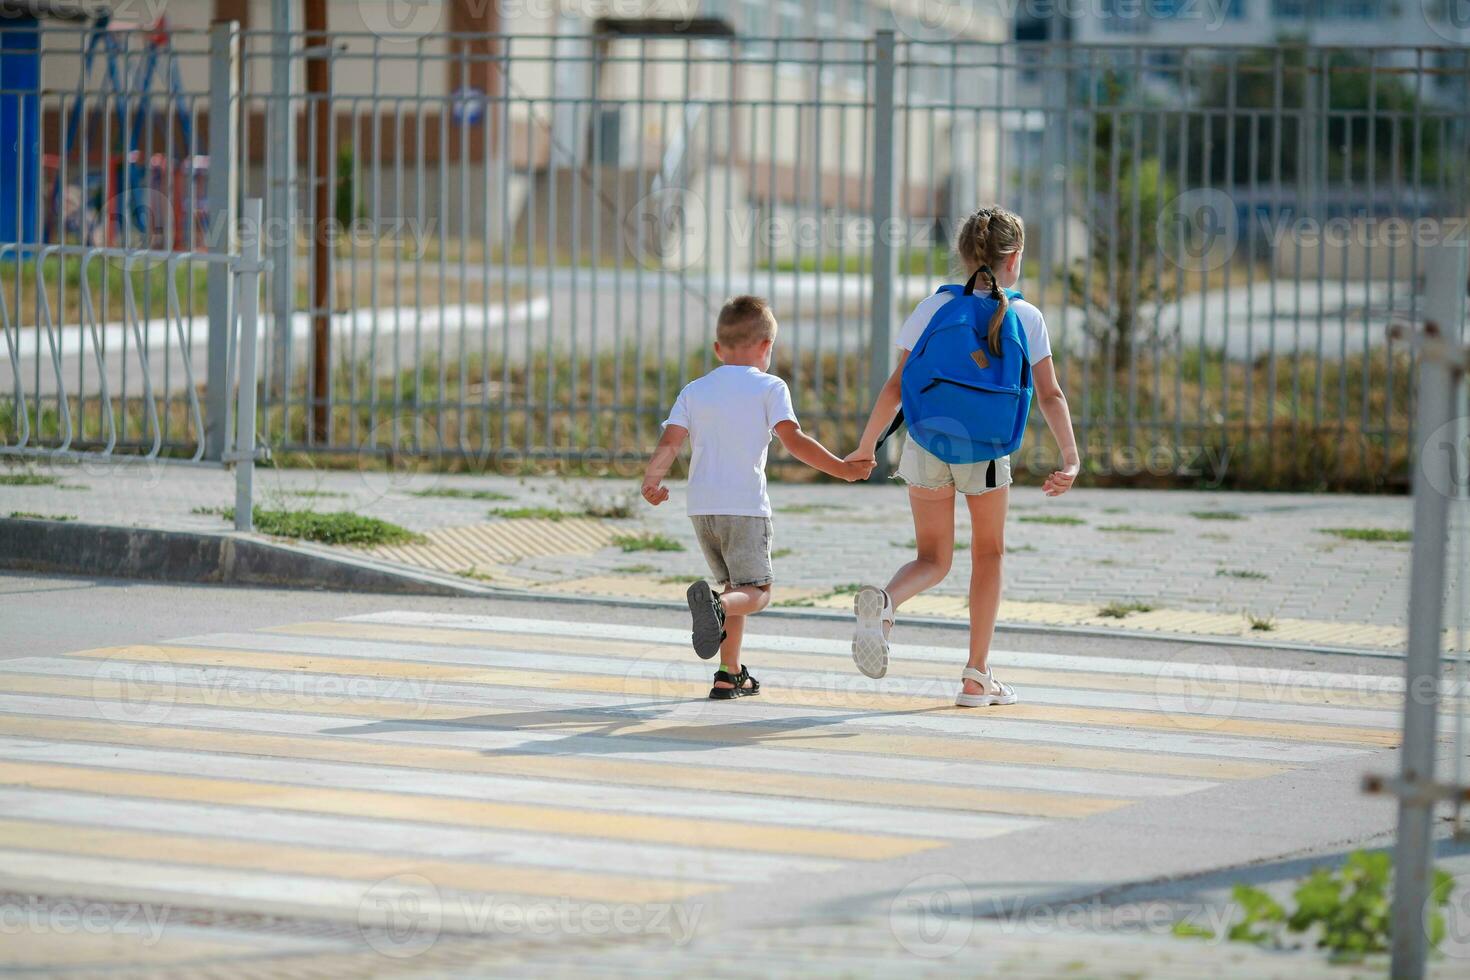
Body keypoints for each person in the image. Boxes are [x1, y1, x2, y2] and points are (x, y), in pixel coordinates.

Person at [846, 205, 1080, 706]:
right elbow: (1050, 394)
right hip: (986, 451)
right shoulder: (1025, 315)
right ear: (1013, 257)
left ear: (964, 254)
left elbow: (895, 387)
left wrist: (866, 447)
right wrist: (1070, 458)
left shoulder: (932, 308)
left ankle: (886, 605)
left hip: (926, 442)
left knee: (933, 557)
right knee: (988, 553)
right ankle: (977, 676)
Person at [642, 295, 874, 699]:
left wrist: (652, 480)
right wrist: (842, 468)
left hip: (701, 510)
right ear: (767, 347)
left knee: (736, 587)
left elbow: (671, 440)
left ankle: (728, 673)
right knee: (757, 593)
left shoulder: (695, 390)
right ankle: (715, 606)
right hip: (745, 508)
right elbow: (794, 440)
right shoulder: (770, 386)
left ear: (718, 348)